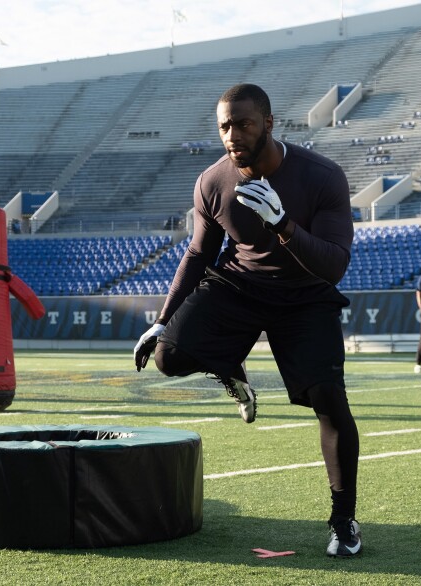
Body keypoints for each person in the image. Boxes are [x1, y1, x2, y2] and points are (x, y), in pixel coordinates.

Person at [133, 83, 361, 557]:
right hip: (240, 285)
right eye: (224, 126)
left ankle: (344, 521)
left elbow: (334, 264)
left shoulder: (321, 176)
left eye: (243, 123)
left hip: (306, 294)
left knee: (328, 400)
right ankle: (231, 368)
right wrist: (161, 320)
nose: (232, 135)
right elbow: (199, 253)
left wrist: (284, 225)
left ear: (269, 124)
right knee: (169, 356)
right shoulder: (213, 181)